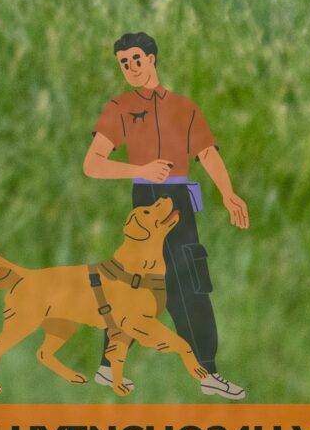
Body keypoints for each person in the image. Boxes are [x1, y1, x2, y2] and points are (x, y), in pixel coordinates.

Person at [83, 31, 248, 399]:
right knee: (132, 286)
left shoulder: (183, 107)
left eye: (136, 59)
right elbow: (93, 164)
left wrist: (228, 192)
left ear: (152, 59)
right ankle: (109, 367)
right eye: (124, 63)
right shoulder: (119, 108)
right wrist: (139, 170)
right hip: (147, 202)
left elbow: (206, 153)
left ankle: (207, 370)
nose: (131, 68)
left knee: (190, 279)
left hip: (180, 199)